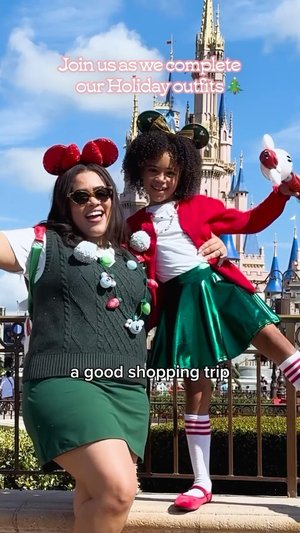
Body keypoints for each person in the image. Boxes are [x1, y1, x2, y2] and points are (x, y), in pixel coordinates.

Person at [0, 137, 225, 532]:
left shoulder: (135, 255)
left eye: (101, 192)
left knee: (95, 495)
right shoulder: (42, 242)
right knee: (119, 489)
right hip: (64, 383)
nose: (93, 202)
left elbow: (192, 289)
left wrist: (213, 247)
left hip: (128, 391)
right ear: (64, 203)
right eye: (79, 195)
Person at [123, 119, 300, 512]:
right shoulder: (132, 223)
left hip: (218, 289)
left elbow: (250, 221)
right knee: (196, 393)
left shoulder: (200, 205)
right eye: (153, 171)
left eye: (170, 172)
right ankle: (202, 482)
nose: (161, 179)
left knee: (286, 354)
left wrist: (281, 193)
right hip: (182, 305)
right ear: (139, 171)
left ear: (183, 173)